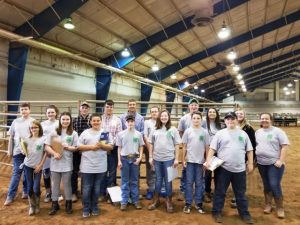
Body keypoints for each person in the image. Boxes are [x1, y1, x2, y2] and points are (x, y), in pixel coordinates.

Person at [206, 112, 254, 224]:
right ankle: (216, 212)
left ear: (236, 120)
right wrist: (208, 160)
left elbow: (249, 150)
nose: (230, 121)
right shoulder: (220, 134)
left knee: (240, 193)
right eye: (228, 119)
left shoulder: (243, 134)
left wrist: (250, 164)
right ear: (225, 121)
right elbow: (212, 149)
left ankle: (244, 214)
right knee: (220, 191)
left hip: (240, 169)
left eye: (232, 119)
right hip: (223, 168)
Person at [78, 113, 113, 218]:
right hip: (87, 166)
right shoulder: (85, 133)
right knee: (87, 188)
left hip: (100, 166)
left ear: (100, 121)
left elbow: (110, 147)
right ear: (90, 122)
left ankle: (95, 207)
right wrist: (91, 147)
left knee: (97, 188)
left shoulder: (105, 133)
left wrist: (102, 145)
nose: (96, 122)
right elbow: (79, 146)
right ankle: (86, 208)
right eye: (94, 120)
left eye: (98, 120)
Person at [255, 113, 289, 219]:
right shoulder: (258, 132)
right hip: (261, 163)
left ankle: (280, 207)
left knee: (274, 184)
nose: (264, 120)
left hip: (274, 164)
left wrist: (281, 160)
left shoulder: (278, 131)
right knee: (266, 184)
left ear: (271, 120)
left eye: (266, 118)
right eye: (262, 118)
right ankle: (268, 204)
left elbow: (284, 146)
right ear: (260, 120)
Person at [45, 112, 79, 215]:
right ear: (60, 120)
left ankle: (68, 204)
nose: (65, 121)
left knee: (67, 184)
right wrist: (54, 153)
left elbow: (76, 147)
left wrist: (67, 147)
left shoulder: (74, 133)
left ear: (70, 120)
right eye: (63, 119)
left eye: (67, 119)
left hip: (67, 163)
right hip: (55, 163)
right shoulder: (54, 132)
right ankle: (55, 205)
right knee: (55, 185)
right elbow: (47, 146)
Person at [148, 110, 181, 213]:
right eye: (162, 116)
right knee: (158, 180)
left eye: (165, 116)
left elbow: (177, 145)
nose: (163, 117)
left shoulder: (173, 129)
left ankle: (169, 201)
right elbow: (151, 144)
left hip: (169, 159)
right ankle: (156, 200)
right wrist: (150, 157)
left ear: (168, 117)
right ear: (159, 117)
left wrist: (176, 159)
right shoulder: (154, 129)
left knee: (168, 180)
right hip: (157, 159)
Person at [4, 102, 35, 206]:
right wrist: (9, 150)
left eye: (26, 109)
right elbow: (11, 137)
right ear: (20, 111)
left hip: (29, 152)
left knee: (27, 172)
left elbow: (36, 136)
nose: (24, 111)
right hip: (17, 151)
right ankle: (10, 195)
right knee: (16, 173)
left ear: (29, 110)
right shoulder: (15, 121)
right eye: (22, 109)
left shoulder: (33, 121)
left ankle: (25, 191)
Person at [182, 111, 209, 214]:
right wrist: (183, 159)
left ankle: (198, 203)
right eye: (194, 118)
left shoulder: (204, 132)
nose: (196, 120)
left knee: (199, 183)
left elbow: (207, 147)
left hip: (200, 162)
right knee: (188, 182)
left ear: (201, 120)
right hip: (190, 161)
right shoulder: (188, 131)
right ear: (191, 119)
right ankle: (188, 203)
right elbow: (184, 146)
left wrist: (206, 160)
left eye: (198, 118)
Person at [117, 114, 144, 211]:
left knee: (134, 181)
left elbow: (141, 146)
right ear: (125, 123)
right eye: (128, 121)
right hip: (124, 158)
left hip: (134, 159)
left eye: (132, 121)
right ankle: (124, 201)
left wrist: (140, 158)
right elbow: (119, 148)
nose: (130, 123)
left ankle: (135, 200)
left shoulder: (138, 134)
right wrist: (119, 160)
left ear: (134, 122)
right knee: (125, 181)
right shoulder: (120, 134)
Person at [230, 109, 256, 208]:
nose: (239, 115)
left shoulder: (249, 128)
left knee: (240, 179)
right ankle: (234, 195)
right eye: (237, 114)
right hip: (231, 157)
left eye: (241, 114)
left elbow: (252, 145)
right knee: (232, 177)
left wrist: (250, 161)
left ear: (244, 116)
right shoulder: (230, 126)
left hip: (243, 158)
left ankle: (237, 197)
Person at [23, 120, 47, 215]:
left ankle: (37, 204)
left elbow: (45, 153)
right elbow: (24, 151)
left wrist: (41, 165)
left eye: (35, 127)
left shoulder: (43, 139)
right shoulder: (26, 139)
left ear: (39, 128)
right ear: (30, 129)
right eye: (32, 127)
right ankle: (32, 206)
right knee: (29, 187)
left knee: (36, 187)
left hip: (38, 166)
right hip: (28, 165)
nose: (33, 129)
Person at [177, 98, 199, 201]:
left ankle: (197, 191)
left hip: (198, 149)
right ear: (189, 106)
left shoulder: (201, 119)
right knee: (185, 169)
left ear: (198, 106)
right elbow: (180, 131)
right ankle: (183, 190)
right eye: (192, 105)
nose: (194, 106)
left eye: (195, 105)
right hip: (187, 148)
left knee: (198, 171)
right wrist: (184, 142)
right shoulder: (184, 119)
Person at [100, 100, 122, 200]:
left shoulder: (117, 120)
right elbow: (99, 132)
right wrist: (105, 146)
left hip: (113, 148)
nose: (109, 108)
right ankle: (102, 192)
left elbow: (119, 134)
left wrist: (111, 146)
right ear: (104, 107)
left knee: (112, 171)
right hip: (101, 148)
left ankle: (110, 193)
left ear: (113, 108)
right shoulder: (99, 118)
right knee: (102, 171)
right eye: (107, 106)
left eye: (111, 107)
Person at [201, 107, 222, 203]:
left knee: (218, 171)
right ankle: (207, 192)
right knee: (208, 172)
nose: (212, 113)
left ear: (216, 114)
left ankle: (217, 191)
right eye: (210, 112)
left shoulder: (220, 125)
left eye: (214, 112)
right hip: (207, 150)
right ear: (207, 113)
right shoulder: (203, 123)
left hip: (219, 150)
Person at [72, 101, 90, 202]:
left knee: (85, 171)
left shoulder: (91, 121)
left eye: (86, 108)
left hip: (88, 150)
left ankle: (85, 191)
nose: (84, 109)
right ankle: (74, 192)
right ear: (80, 109)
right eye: (83, 107)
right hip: (76, 149)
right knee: (74, 171)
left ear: (89, 109)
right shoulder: (75, 121)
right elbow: (72, 134)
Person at [41, 105, 59, 203]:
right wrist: (46, 149)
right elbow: (40, 137)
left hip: (57, 150)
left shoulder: (59, 123)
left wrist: (55, 150)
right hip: (46, 151)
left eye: (52, 112)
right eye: (49, 112)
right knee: (46, 172)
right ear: (46, 114)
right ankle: (48, 192)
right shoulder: (42, 124)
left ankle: (56, 192)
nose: (51, 114)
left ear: (56, 113)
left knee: (56, 172)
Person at [143, 106, 159, 200]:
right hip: (149, 148)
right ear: (150, 113)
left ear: (158, 112)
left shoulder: (161, 122)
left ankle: (159, 189)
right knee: (150, 169)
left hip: (160, 149)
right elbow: (145, 135)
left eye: (156, 111)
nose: (154, 113)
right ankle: (151, 189)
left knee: (160, 169)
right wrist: (150, 149)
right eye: (152, 112)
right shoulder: (147, 122)